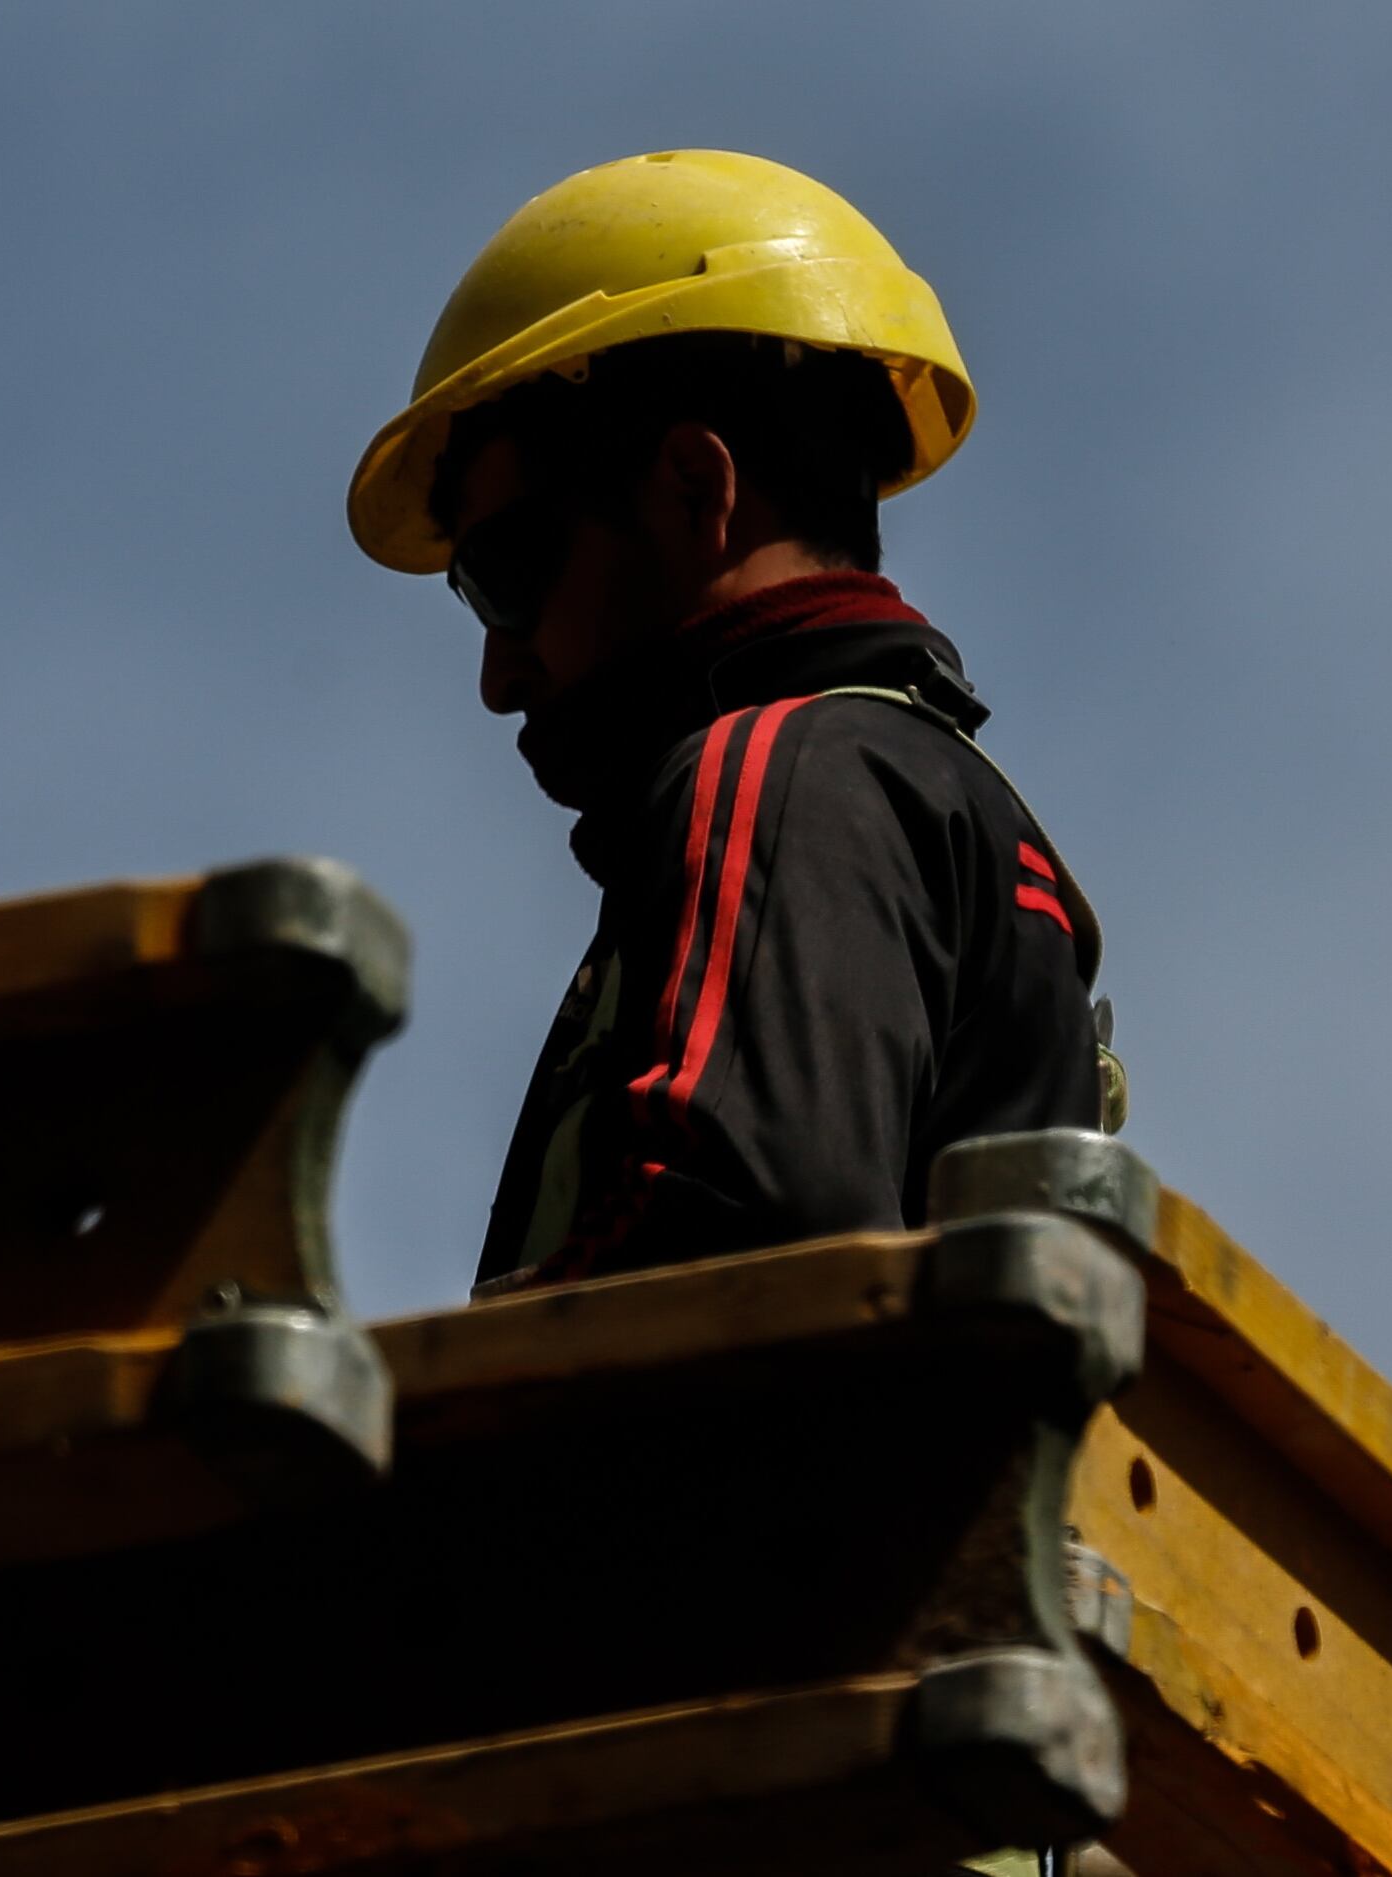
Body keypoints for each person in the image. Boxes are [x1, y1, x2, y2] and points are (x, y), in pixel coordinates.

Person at [345, 150, 1119, 1295]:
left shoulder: (786, 773)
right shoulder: (933, 794)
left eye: (505, 573)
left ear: (691, 490)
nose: (496, 673)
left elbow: (730, 1228)